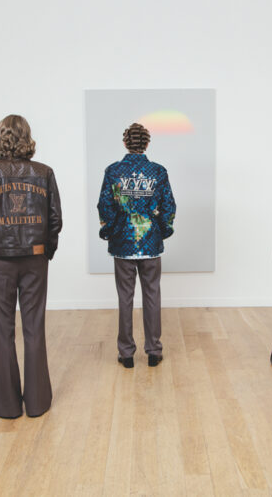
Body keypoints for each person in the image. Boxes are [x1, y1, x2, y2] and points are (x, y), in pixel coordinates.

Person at [0, 114, 62, 418]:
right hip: (35, 258)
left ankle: (5, 405)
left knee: (2, 330)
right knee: (34, 328)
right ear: (27, 138)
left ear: (0, 137)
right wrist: (46, 252)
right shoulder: (44, 173)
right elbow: (55, 219)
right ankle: (37, 402)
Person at [97, 123, 176, 369]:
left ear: (125, 143)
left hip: (122, 244)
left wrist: (110, 231)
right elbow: (169, 206)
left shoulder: (113, 171)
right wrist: (161, 231)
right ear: (147, 143)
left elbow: (105, 206)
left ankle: (126, 353)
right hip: (151, 243)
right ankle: (153, 351)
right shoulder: (158, 172)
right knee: (152, 295)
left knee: (125, 297)